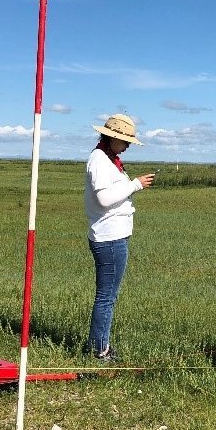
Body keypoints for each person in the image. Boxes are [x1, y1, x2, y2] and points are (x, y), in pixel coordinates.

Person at [83, 114, 155, 362]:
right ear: (112, 138)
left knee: (107, 296)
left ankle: (99, 345)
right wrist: (135, 184)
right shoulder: (100, 161)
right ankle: (99, 350)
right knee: (106, 297)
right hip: (109, 238)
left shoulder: (107, 159)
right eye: (125, 141)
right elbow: (104, 199)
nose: (127, 146)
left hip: (113, 235)